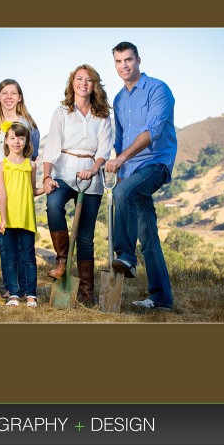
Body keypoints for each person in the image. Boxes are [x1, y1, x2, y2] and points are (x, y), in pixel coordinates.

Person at [104, 41, 177, 311]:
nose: (124, 66)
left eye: (128, 60)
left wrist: (121, 159)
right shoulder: (119, 99)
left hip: (156, 163)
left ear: (138, 60)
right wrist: (122, 170)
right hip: (132, 172)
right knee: (148, 236)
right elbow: (120, 140)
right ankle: (162, 299)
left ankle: (125, 255)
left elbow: (154, 131)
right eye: (119, 61)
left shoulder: (158, 89)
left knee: (124, 193)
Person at [42, 64, 113, 307]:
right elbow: (50, 150)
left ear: (95, 85)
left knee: (85, 237)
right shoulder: (61, 113)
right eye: (79, 79)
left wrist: (93, 170)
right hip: (63, 172)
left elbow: (104, 149)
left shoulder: (102, 115)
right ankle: (62, 260)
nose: (83, 83)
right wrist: (47, 178)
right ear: (72, 83)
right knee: (53, 205)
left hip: (90, 177)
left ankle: (86, 291)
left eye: (88, 79)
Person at [0, 79, 40, 298]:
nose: (8, 97)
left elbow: (32, 156)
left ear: (19, 97)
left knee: (23, 242)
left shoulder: (29, 125)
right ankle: (11, 287)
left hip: (20, 184)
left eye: (13, 93)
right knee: (5, 241)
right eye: (4, 93)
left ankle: (25, 287)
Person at [0, 122, 45, 307]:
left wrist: (45, 189)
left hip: (26, 217)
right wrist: (3, 218)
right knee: (10, 258)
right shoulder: (1, 166)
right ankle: (14, 294)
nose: (17, 141)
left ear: (26, 141)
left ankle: (31, 294)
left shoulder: (31, 165)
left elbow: (32, 190)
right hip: (8, 218)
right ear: (6, 141)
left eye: (21, 137)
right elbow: (1, 193)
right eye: (13, 137)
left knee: (29, 257)